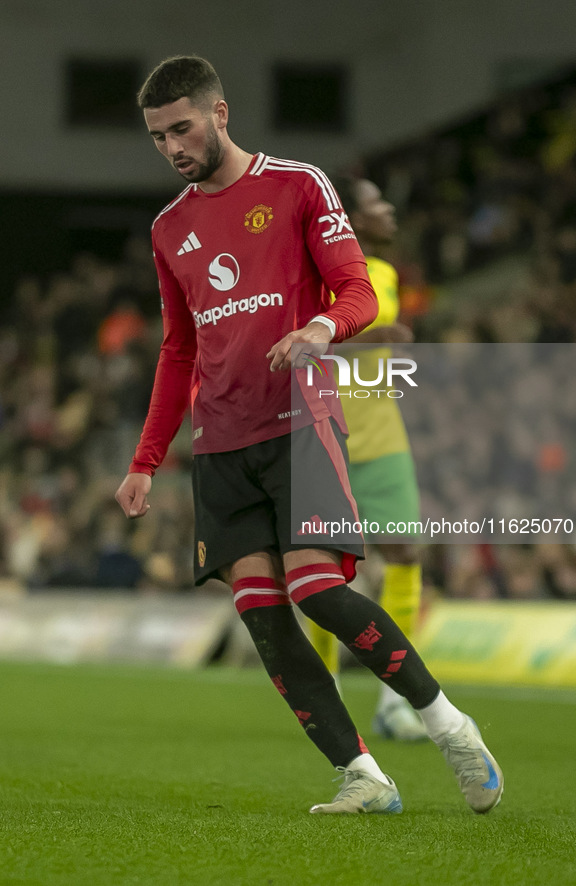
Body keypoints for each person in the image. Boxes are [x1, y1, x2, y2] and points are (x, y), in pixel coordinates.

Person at [115, 55, 503, 815]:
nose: (171, 148)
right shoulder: (168, 230)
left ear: (219, 114)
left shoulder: (296, 185)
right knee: (260, 611)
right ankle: (362, 774)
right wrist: (145, 460)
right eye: (158, 137)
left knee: (318, 590)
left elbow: (357, 288)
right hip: (221, 441)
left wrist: (323, 326)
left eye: (182, 129)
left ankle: (448, 726)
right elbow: (178, 349)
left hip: (299, 419)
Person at [307, 175, 428, 742]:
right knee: (324, 565)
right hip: (327, 432)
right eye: (377, 203)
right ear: (348, 218)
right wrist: (382, 332)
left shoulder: (386, 272)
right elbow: (310, 339)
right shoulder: (315, 272)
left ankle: (394, 700)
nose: (390, 210)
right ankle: (323, 684)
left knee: (404, 553)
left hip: (381, 435)